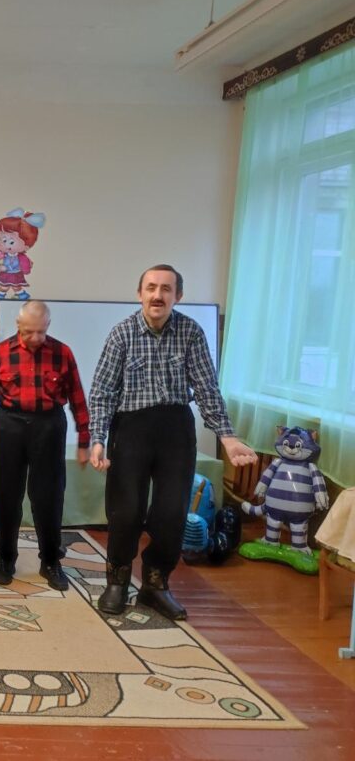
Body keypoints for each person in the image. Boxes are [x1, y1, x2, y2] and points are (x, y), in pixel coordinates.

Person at [89, 264, 258, 620]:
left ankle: (155, 584)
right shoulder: (121, 334)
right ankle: (117, 581)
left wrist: (227, 437)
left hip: (176, 430)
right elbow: (103, 391)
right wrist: (98, 438)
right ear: (139, 294)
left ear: (177, 296)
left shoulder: (191, 332)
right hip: (131, 429)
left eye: (166, 289)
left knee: (172, 513)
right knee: (126, 511)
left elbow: (207, 388)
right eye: (151, 287)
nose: (158, 295)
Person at [0, 300, 90, 591]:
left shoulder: (62, 353)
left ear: (48, 326)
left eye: (41, 331)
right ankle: (5, 559)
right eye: (29, 332)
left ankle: (51, 561)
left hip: (49, 426)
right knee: (7, 496)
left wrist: (84, 439)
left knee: (49, 497)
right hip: (10, 425)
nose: (35, 338)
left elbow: (78, 397)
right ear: (18, 325)